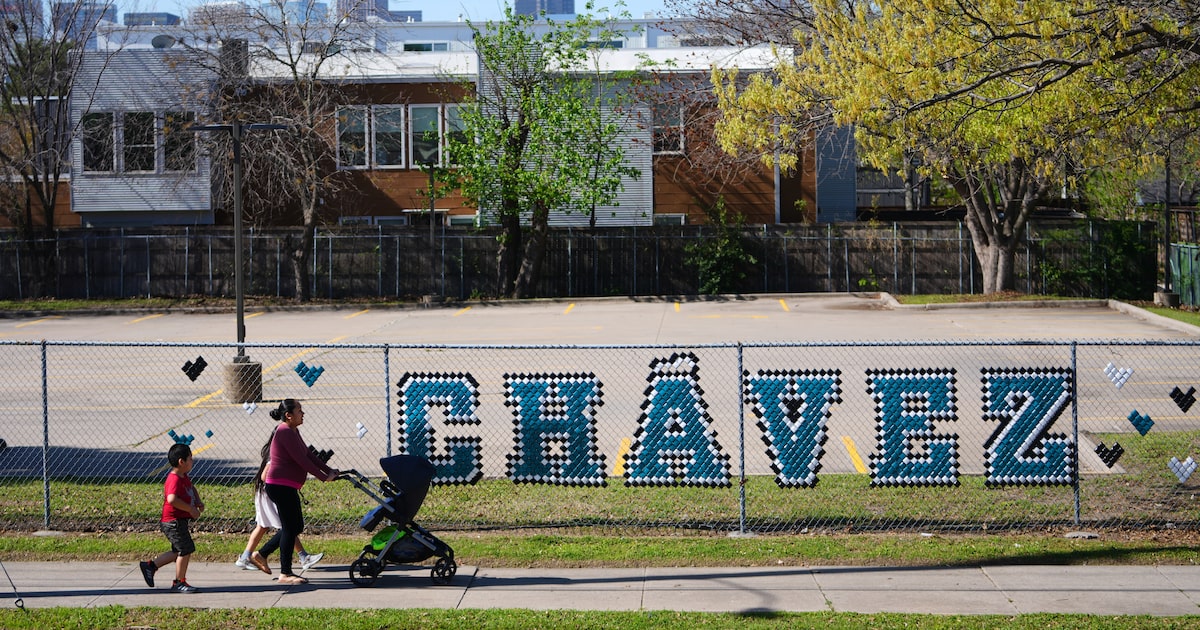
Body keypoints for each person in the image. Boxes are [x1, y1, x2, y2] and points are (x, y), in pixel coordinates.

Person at [252, 399, 338, 585]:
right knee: (290, 528)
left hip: (286, 486)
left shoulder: (293, 431)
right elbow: (302, 461)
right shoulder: (284, 432)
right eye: (300, 411)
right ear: (288, 415)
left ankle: (261, 554)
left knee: (295, 526)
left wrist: (329, 470)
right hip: (280, 486)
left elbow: (308, 455)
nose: (303, 413)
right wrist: (324, 477)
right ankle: (285, 573)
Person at [235, 431, 323, 573]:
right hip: (268, 493)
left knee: (272, 526)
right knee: (287, 526)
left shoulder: (280, 451)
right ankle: (302, 557)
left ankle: (246, 557)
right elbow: (265, 476)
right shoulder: (275, 454)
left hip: (268, 493)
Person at [139, 443, 204, 593]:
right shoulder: (174, 479)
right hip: (172, 522)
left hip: (177, 521)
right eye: (190, 458)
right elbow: (172, 499)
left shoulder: (183, 476)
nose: (192, 461)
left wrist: (198, 501)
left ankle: (150, 566)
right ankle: (179, 582)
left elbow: (191, 487)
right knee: (185, 549)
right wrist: (190, 509)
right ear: (181, 462)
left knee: (178, 550)